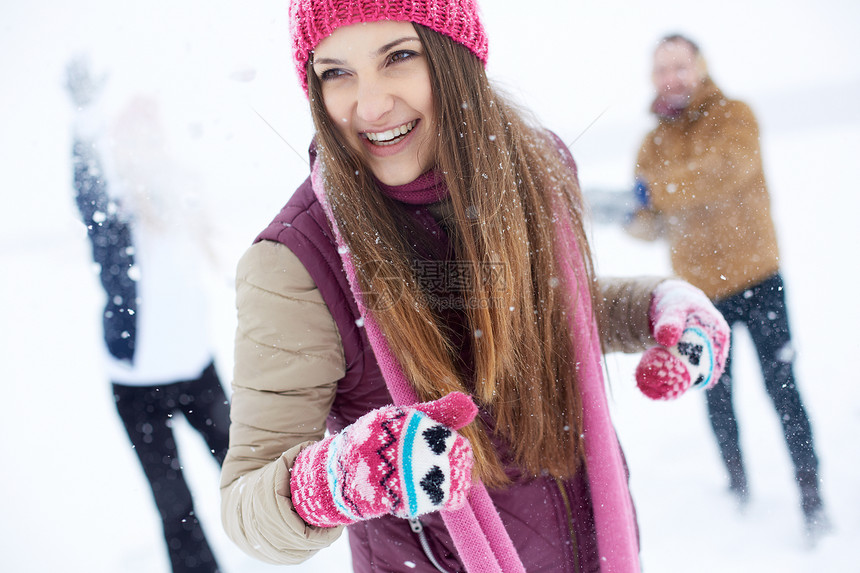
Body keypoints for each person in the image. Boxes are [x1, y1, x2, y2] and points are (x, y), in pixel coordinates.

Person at [219, 3, 730, 572]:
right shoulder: (295, 263)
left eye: (399, 57)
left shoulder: (537, 168)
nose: (369, 104)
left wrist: (654, 306)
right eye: (335, 72)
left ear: (455, 54)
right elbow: (246, 505)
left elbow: (540, 310)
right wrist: (340, 479)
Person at [626, 34, 829, 538]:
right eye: (661, 69)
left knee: (784, 391)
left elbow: (722, 172)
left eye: (679, 65)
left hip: (758, 278)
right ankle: (737, 489)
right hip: (698, 295)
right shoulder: (651, 145)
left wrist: (657, 192)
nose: (671, 76)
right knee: (715, 395)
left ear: (700, 67)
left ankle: (813, 498)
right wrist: (629, 213)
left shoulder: (735, 116)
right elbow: (651, 223)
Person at [66, 58, 231, 573]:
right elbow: (86, 188)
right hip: (137, 385)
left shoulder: (184, 196)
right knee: (174, 503)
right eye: (133, 140)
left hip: (198, 370)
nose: (145, 149)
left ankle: (286, 546)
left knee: (241, 469)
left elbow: (216, 253)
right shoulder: (114, 217)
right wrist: (86, 119)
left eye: (151, 137)